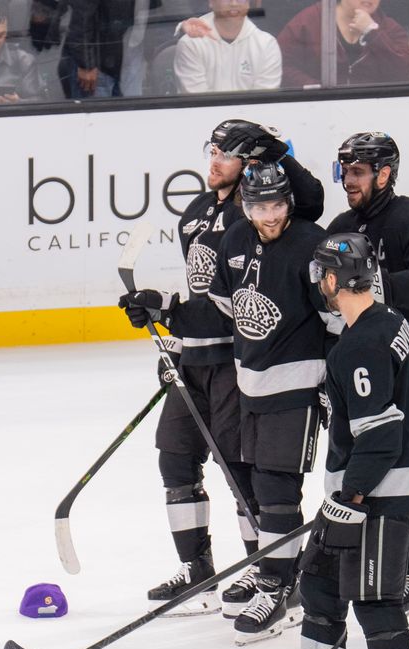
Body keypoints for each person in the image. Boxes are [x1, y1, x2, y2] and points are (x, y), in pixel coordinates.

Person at [117, 120, 325, 621]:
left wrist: (277, 152)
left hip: (237, 361)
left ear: (250, 164)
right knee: (175, 459)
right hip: (194, 357)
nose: (214, 161)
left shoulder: (255, 213)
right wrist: (172, 336)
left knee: (243, 470)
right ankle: (197, 571)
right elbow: (204, 297)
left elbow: (311, 203)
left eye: (226, 154)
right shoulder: (195, 212)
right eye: (211, 150)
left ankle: (264, 570)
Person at [260, 232, 409, 649]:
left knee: (375, 603)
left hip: (381, 492)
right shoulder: (389, 321)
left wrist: (351, 498)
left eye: (321, 274)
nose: (317, 282)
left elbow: (382, 436)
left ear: (333, 279)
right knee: (319, 587)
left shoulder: (359, 344)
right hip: (369, 488)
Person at [326, 131, 409, 640]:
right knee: (384, 480)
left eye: (358, 171)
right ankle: (408, 570)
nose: (349, 180)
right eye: (345, 171)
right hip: (371, 379)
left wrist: (366, 283)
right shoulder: (340, 228)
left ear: (385, 173)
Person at [207, 161, 336, 646]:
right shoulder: (235, 239)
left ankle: (278, 590)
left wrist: (332, 380)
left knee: (277, 489)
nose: (270, 215)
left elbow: (336, 317)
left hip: (298, 384)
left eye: (278, 205)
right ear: (246, 206)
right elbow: (226, 306)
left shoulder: (312, 243)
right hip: (249, 384)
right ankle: (275, 573)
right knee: (253, 486)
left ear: (290, 202)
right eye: (260, 207)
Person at [277, 0, 409, 89]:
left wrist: (372, 32)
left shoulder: (389, 28)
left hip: (372, 109)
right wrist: (317, 89)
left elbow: (404, 74)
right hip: (317, 108)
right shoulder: (308, 21)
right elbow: (282, 66)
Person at [173, 0, 280, 93]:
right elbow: (196, 100)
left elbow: (264, 101)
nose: (234, 3)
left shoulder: (267, 44)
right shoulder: (191, 43)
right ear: (211, 2)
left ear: (248, 3)